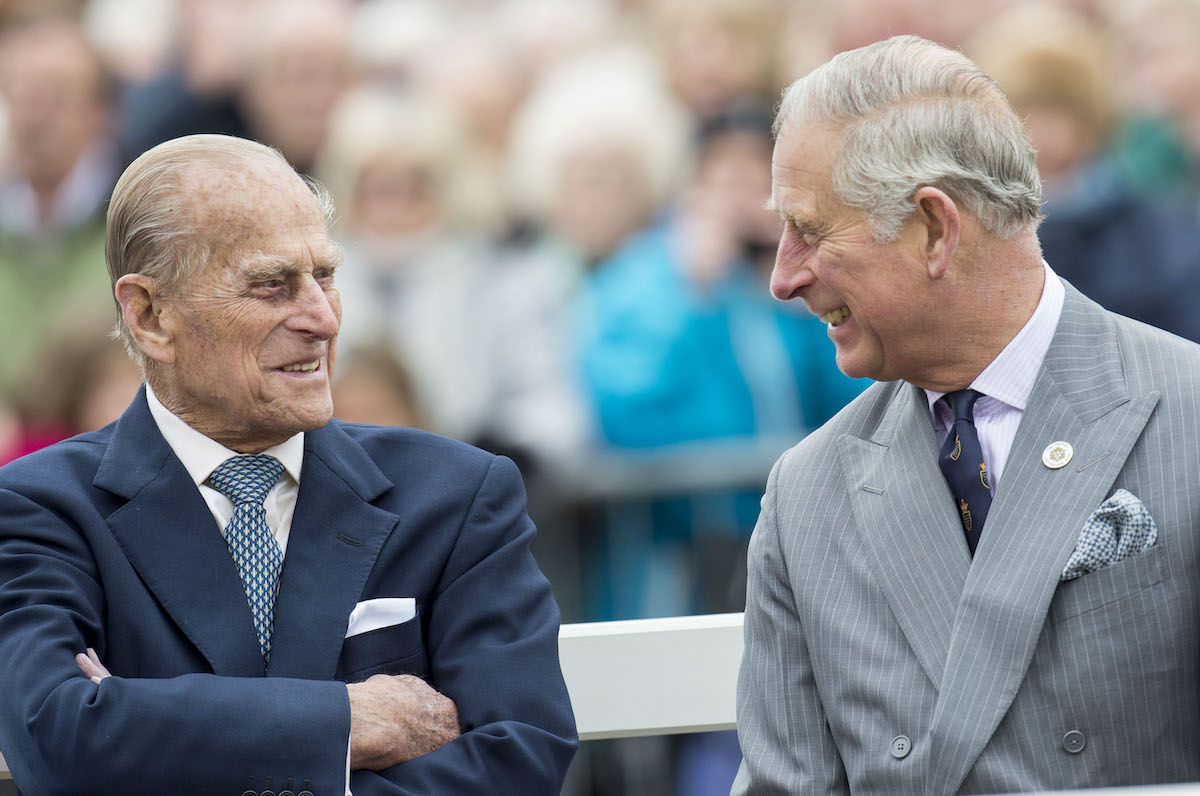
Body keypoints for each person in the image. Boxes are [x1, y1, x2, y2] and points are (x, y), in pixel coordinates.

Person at [0, 134, 576, 795]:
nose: (323, 318)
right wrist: (342, 720)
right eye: (273, 285)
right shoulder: (41, 508)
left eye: (326, 275)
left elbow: (519, 760)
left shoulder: (459, 496)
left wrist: (144, 726)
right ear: (151, 316)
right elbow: (59, 738)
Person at [734, 35, 1200, 794]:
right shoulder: (805, 496)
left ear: (934, 229)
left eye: (810, 230)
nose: (783, 277)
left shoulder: (1189, 419)